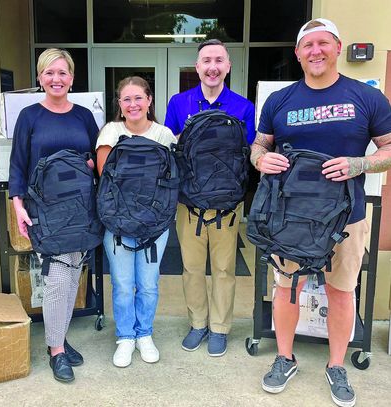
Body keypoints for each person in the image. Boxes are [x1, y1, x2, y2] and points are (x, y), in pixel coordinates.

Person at [251, 18, 391, 407]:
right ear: (297, 53)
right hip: (290, 217)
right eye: (307, 45)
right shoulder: (280, 101)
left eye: (323, 43)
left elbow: (388, 149)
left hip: (346, 217)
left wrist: (359, 165)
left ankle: (336, 364)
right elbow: (258, 147)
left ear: (337, 47)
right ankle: (284, 357)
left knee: (342, 292)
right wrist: (262, 160)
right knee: (286, 288)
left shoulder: (366, 97)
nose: (315, 51)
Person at [9, 48, 99, 383]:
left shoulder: (83, 117)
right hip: (45, 210)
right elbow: (17, 163)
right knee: (58, 278)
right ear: (40, 77)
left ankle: (58, 337)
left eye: (62, 73)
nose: (56, 79)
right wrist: (18, 205)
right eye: (49, 73)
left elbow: (97, 155)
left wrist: (90, 164)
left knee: (73, 273)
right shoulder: (30, 116)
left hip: (80, 207)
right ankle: (56, 350)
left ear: (72, 78)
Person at [164, 39, 255, 356]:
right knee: (190, 269)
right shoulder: (179, 103)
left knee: (224, 270)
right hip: (188, 205)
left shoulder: (244, 107)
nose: (213, 67)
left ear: (228, 66)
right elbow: (168, 147)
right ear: (197, 66)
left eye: (219, 60)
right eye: (206, 60)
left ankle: (219, 328)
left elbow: (251, 154)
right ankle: (198, 324)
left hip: (227, 207)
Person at [96, 76, 177, 368]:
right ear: (119, 104)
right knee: (122, 283)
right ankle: (125, 337)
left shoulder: (164, 135)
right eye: (127, 99)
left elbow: (171, 182)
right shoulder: (110, 131)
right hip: (117, 223)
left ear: (149, 100)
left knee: (148, 284)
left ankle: (145, 334)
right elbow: (106, 179)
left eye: (138, 98)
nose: (133, 104)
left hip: (154, 225)